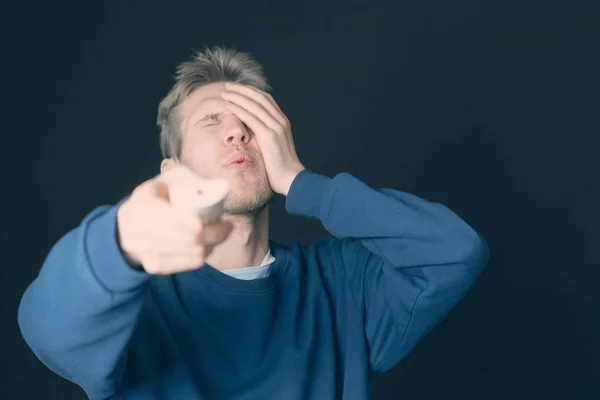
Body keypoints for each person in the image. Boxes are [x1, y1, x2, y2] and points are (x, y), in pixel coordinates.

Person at [18, 46, 489, 400]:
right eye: (211, 121)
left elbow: (454, 251)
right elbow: (52, 333)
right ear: (172, 170)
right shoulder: (132, 298)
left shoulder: (341, 285)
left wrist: (303, 183)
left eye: (252, 119)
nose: (237, 131)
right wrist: (120, 244)